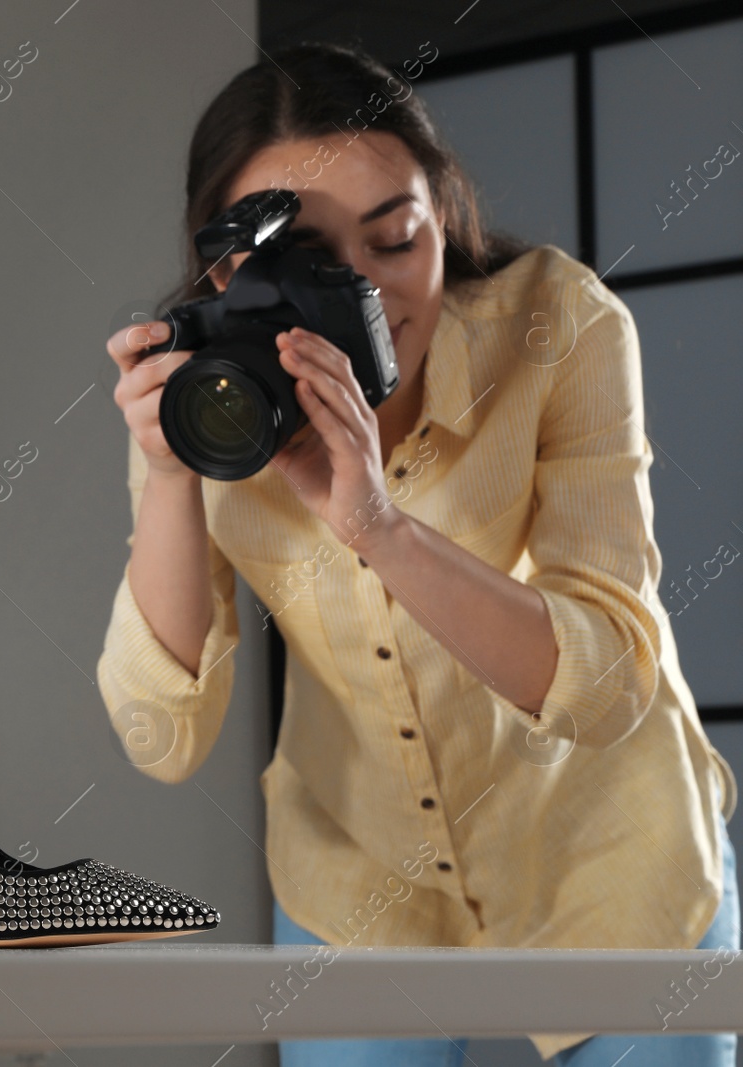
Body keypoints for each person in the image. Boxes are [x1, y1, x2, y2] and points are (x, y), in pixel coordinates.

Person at [96, 40, 738, 1066]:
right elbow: (160, 737)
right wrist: (173, 476)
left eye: (395, 240)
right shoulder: (208, 386)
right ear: (226, 263)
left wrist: (377, 531)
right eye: (305, 257)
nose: (364, 292)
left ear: (442, 221)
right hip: (357, 871)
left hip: (608, 852)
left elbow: (609, 682)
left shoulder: (557, 326)